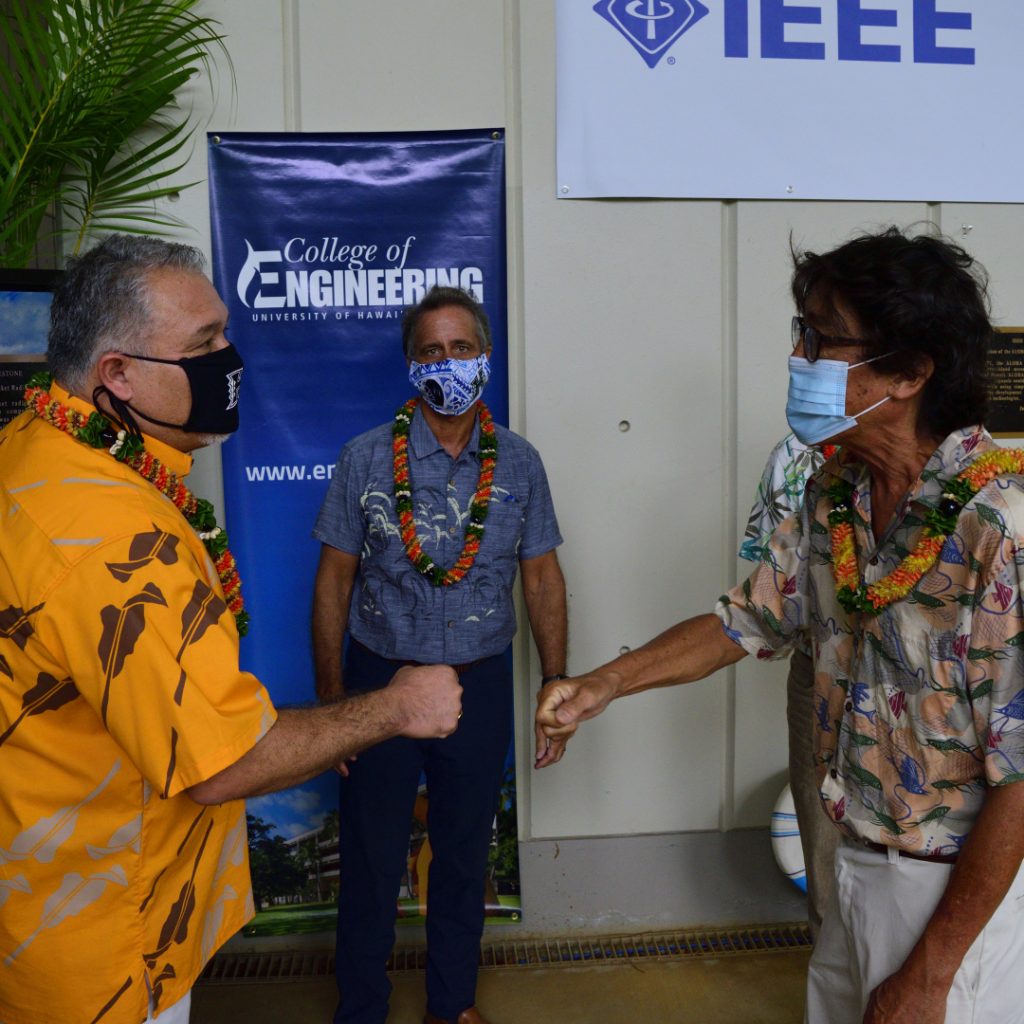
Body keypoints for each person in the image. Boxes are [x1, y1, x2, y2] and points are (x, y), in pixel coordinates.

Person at [536, 228, 1024, 1023]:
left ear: (907, 371)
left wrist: (932, 975)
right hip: (851, 867)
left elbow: (1022, 778)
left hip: (952, 898)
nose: (799, 358)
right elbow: (748, 618)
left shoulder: (1000, 526)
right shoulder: (837, 491)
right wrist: (602, 685)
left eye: (820, 338)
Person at [0, 235, 462, 1024]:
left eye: (225, 332)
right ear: (117, 373)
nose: (231, 357)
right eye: (204, 343)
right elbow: (217, 762)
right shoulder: (116, 540)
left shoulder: (33, 451)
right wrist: (396, 707)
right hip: (107, 940)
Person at [312, 285, 567, 1024]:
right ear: (410, 364)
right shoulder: (365, 459)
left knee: (462, 857)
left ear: (485, 357)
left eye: (462, 349)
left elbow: (543, 575)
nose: (448, 363)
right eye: (432, 351)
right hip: (379, 685)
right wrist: (333, 705)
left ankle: (452, 1005)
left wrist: (556, 682)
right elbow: (334, 581)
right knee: (370, 858)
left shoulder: (518, 463)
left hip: (480, 684)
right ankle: (361, 1008)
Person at [739, 433, 840, 939]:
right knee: (824, 854)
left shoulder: (982, 488)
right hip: (816, 670)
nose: (804, 362)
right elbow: (761, 606)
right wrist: (611, 681)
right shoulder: (799, 460)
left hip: (918, 694)